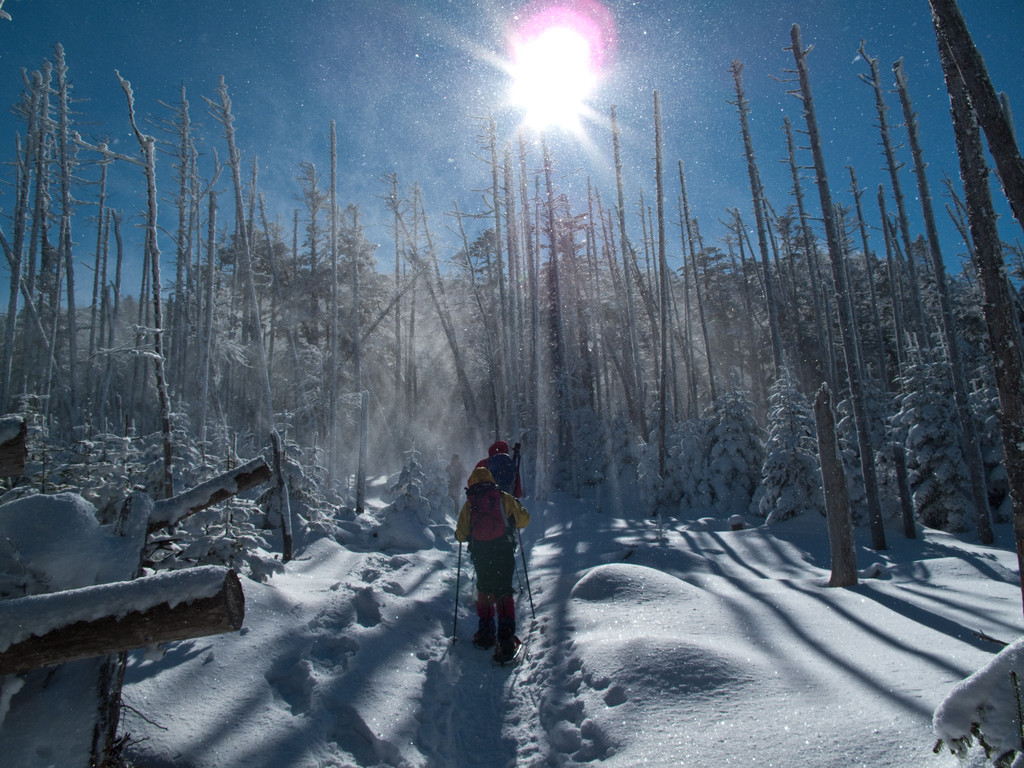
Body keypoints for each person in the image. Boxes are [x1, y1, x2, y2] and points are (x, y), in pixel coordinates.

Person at [455, 466, 530, 662]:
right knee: (503, 590)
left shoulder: (470, 503)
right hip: (503, 551)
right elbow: (524, 520)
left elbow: (461, 534)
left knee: (485, 588)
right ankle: (505, 641)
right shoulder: (502, 497)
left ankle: (486, 633)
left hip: (481, 553)